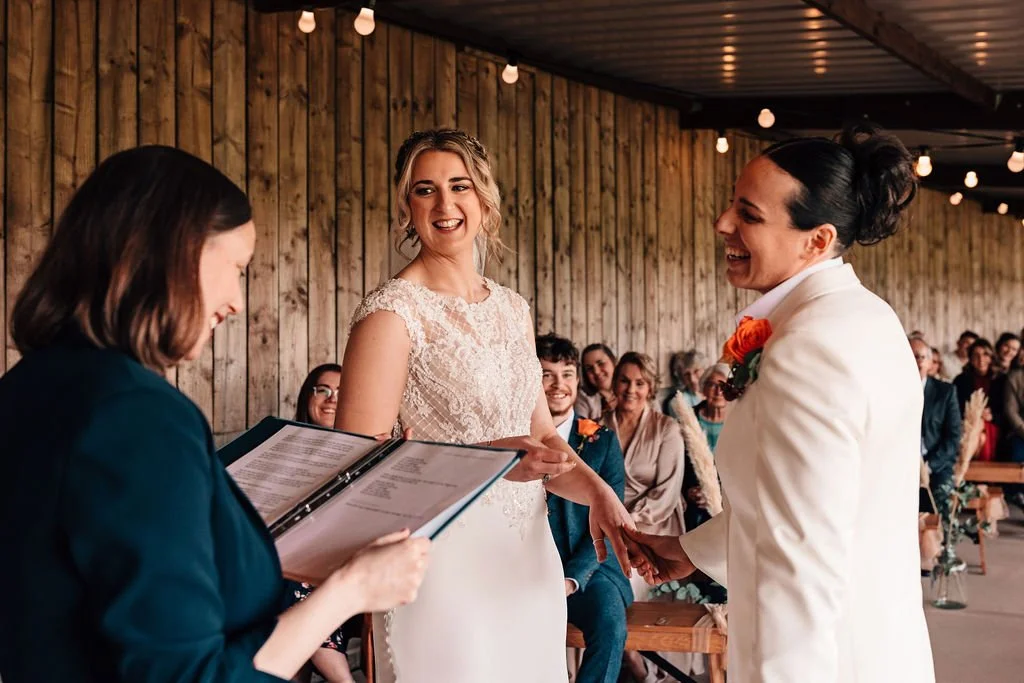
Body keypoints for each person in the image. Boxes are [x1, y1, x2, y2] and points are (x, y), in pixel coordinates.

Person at [0, 146, 430, 683]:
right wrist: (351, 589)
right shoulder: (136, 415)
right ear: (168, 251)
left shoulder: (28, 387)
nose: (234, 301)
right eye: (236, 268)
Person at [623, 123, 935, 683]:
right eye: (730, 206)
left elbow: (803, 560)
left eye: (749, 214)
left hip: (823, 658)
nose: (723, 224)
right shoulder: (866, 316)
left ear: (816, 239)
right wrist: (692, 551)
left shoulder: (809, 346)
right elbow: (806, 505)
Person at [333, 129, 634, 683]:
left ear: (484, 201)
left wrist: (598, 494)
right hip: (442, 561)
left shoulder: (512, 309)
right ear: (407, 207)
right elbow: (357, 465)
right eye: (425, 191)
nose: (444, 205)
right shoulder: (392, 314)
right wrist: (491, 457)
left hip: (525, 558)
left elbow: (544, 439)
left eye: (459, 186)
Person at [536, 333, 631, 683]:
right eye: (546, 375)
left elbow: (610, 519)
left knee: (610, 623)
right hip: (526, 569)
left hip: (591, 568)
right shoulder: (514, 438)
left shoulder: (602, 440)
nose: (558, 385)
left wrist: (570, 579)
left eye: (567, 374)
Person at [602, 351, 687, 682]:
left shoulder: (667, 430)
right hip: (603, 528)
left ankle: (644, 669)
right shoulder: (597, 425)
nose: (630, 389)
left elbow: (665, 495)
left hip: (652, 531)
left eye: (639, 383)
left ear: (650, 387)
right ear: (615, 382)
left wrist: (625, 528)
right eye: (624, 380)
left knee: (626, 580)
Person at [290, 363, 361, 683]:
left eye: (341, 393)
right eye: (323, 390)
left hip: (346, 554)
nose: (332, 399)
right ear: (308, 397)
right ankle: (339, 674)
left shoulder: (364, 449)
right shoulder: (284, 446)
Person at [910, 337, 961, 514]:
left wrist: (929, 467)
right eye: (910, 356)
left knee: (940, 499)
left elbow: (953, 437)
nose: (916, 361)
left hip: (936, 464)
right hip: (903, 463)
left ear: (931, 362)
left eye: (921, 357)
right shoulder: (891, 391)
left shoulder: (946, 392)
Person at [682, 363, 731, 531]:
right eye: (712, 385)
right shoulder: (687, 418)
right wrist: (688, 490)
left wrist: (719, 493)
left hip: (730, 499)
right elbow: (678, 463)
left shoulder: (739, 420)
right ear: (703, 388)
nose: (718, 391)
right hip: (694, 501)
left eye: (724, 386)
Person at [952, 338, 1001, 462]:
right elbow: (955, 406)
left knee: (983, 435)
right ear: (970, 358)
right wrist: (973, 414)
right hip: (968, 423)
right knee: (978, 434)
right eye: (976, 355)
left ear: (991, 357)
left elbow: (1006, 409)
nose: (981, 359)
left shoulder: (1001, 380)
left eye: (985, 354)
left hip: (994, 423)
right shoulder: (961, 380)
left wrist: (992, 416)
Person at [576, 343, 618, 419]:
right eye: (589, 368)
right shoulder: (582, 398)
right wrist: (605, 414)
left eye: (601, 363)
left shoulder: (628, 390)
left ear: (613, 362)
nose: (596, 372)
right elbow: (580, 429)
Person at [661, 350, 706, 416]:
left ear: (705, 370)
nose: (692, 379)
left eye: (696, 371)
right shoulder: (678, 403)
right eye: (687, 374)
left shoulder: (715, 394)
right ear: (681, 377)